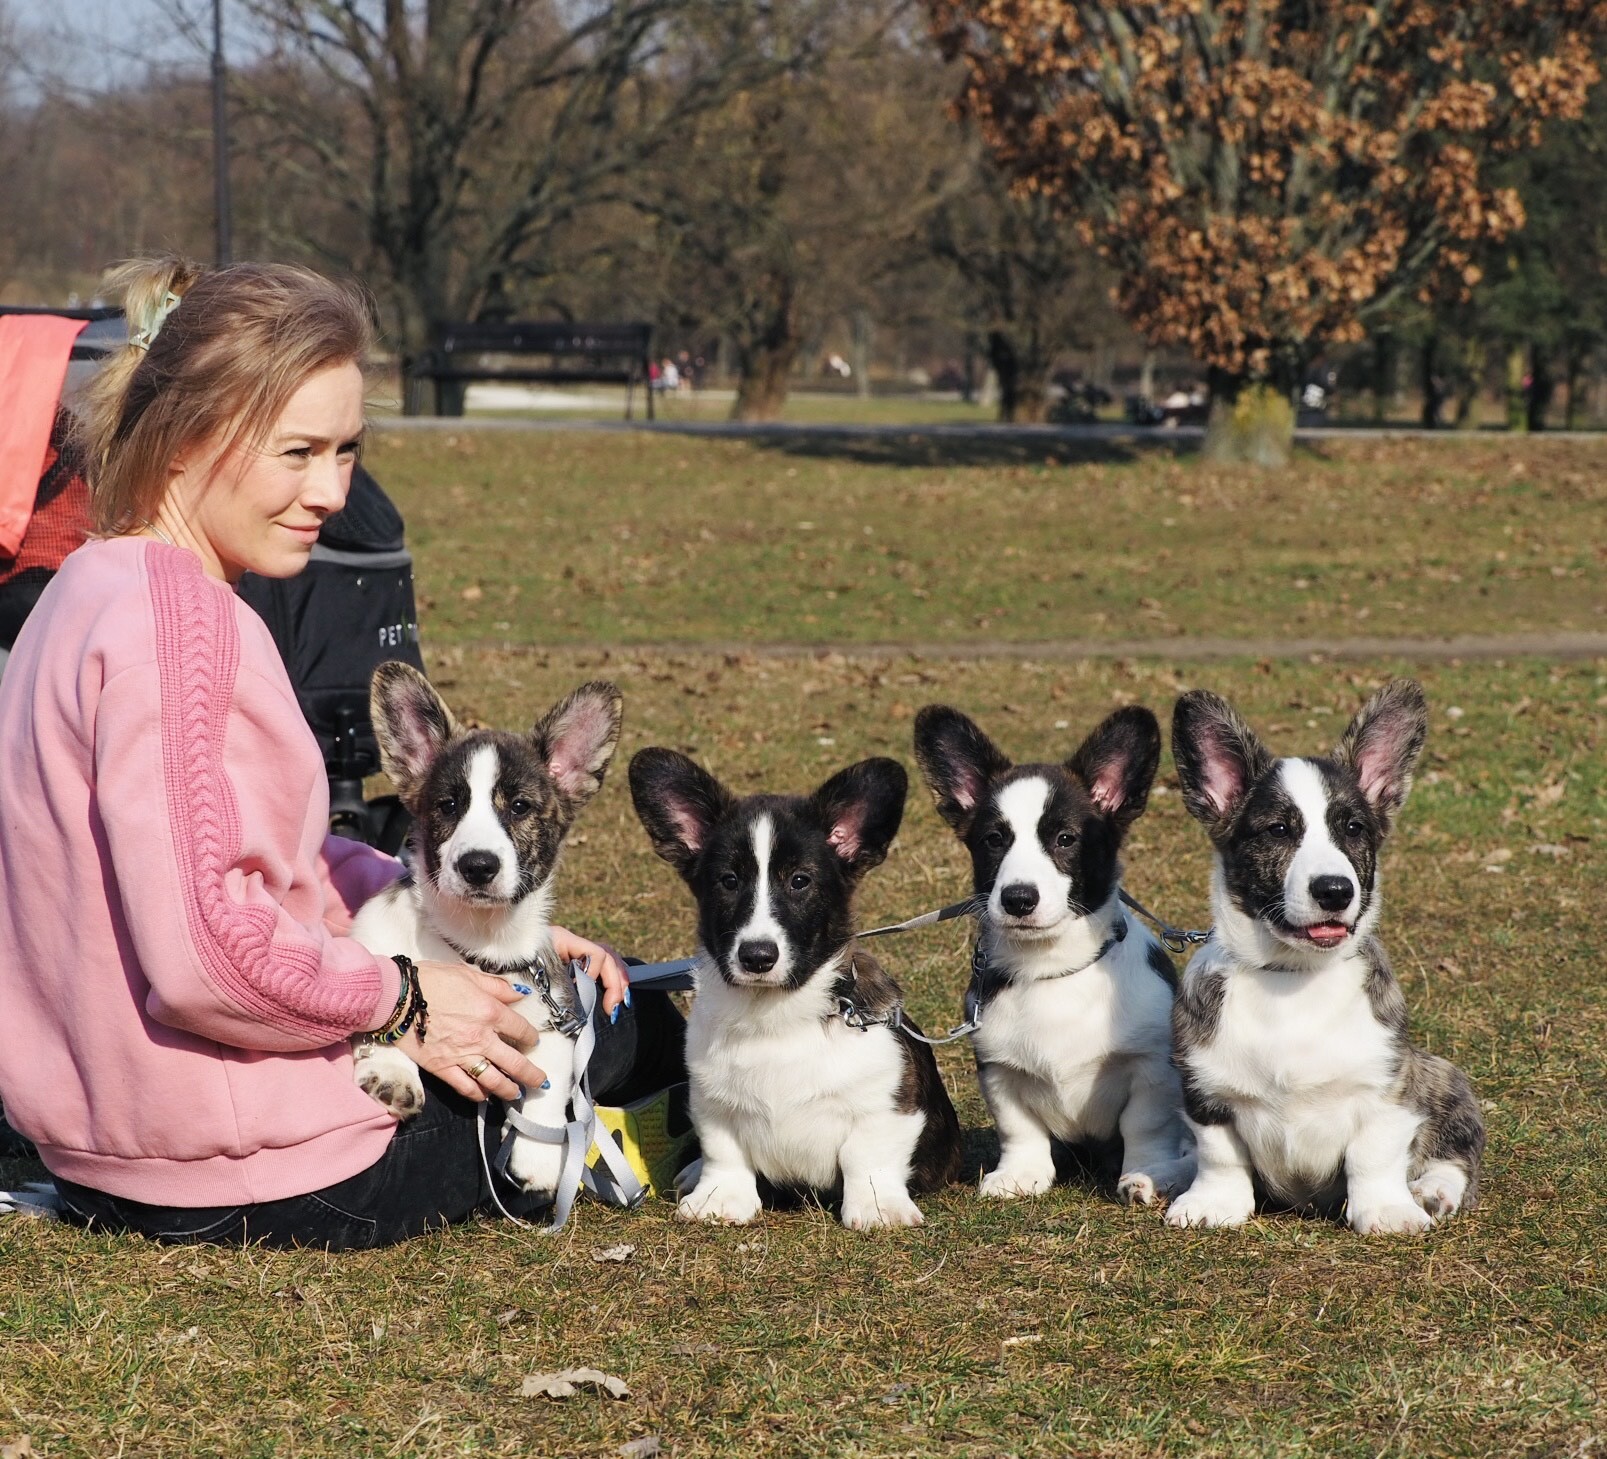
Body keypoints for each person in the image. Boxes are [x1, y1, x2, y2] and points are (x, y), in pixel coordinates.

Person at [0, 256, 683, 1248]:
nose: (328, 491)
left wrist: (458, 912)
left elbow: (236, 853)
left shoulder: (82, 585)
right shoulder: (183, 635)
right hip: (256, 1166)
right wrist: (402, 1000)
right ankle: (648, 1131)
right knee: (611, 1018)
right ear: (187, 434)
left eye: (347, 451)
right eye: (297, 452)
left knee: (570, 982)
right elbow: (207, 960)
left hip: (103, 1145)